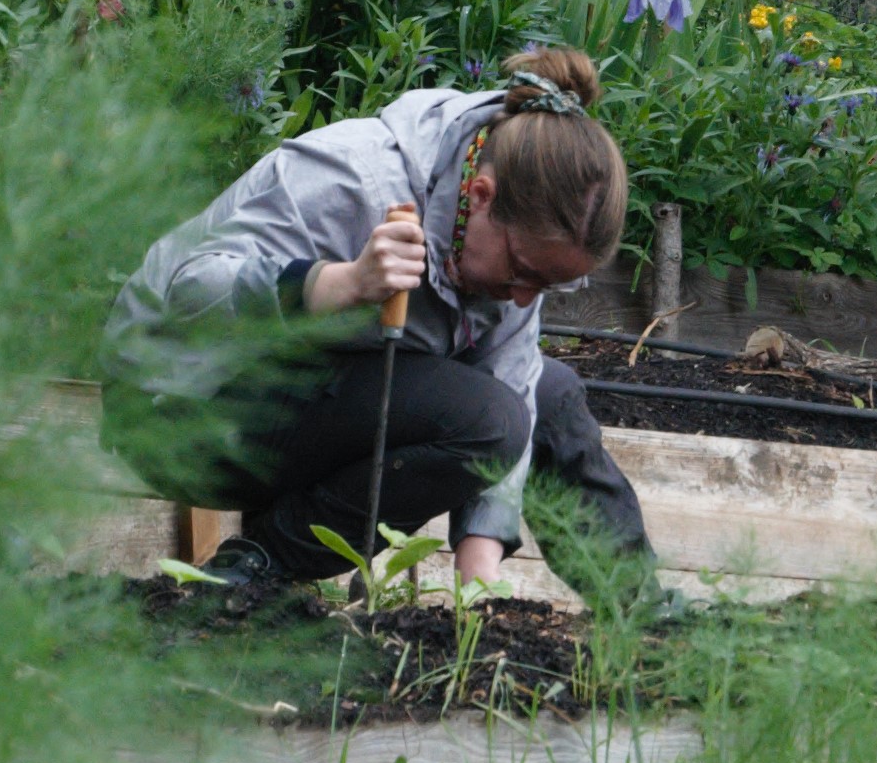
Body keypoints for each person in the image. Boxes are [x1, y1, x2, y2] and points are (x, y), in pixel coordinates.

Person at [109, 45, 654, 596]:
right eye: (522, 273)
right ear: (482, 196)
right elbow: (189, 292)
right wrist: (342, 283)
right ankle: (257, 564)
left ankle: (640, 616)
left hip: (300, 402)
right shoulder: (352, 180)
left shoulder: (512, 230)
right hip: (179, 408)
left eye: (545, 287)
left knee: (548, 392)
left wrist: (477, 587)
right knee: (485, 418)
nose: (522, 299)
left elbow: (514, 388)